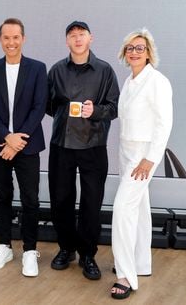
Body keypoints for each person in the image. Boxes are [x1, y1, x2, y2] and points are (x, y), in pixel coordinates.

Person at [47, 21, 120, 280]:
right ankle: (66, 248)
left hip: (94, 145)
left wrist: (95, 111)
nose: (77, 39)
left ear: (91, 39)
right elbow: (48, 105)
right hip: (62, 145)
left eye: (82, 35)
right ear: (67, 41)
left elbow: (114, 107)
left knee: (91, 201)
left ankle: (87, 254)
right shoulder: (56, 70)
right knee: (60, 199)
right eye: (72, 35)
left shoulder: (105, 71)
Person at [0, 18, 47, 277]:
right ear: (0, 40)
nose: (11, 42)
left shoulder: (37, 68)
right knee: (3, 196)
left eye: (15, 37)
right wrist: (7, 137)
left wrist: (17, 141)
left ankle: (30, 250)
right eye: (6, 37)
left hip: (27, 145)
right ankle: (5, 245)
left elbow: (39, 107)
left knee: (30, 198)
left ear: (23, 38)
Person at [110, 28, 173, 300]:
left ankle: (125, 275)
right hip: (126, 150)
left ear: (149, 53)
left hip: (143, 155)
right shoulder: (129, 81)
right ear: (125, 53)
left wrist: (150, 159)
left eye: (140, 48)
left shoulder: (157, 81)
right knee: (140, 209)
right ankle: (140, 263)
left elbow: (164, 123)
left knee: (122, 209)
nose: (135, 52)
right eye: (130, 48)